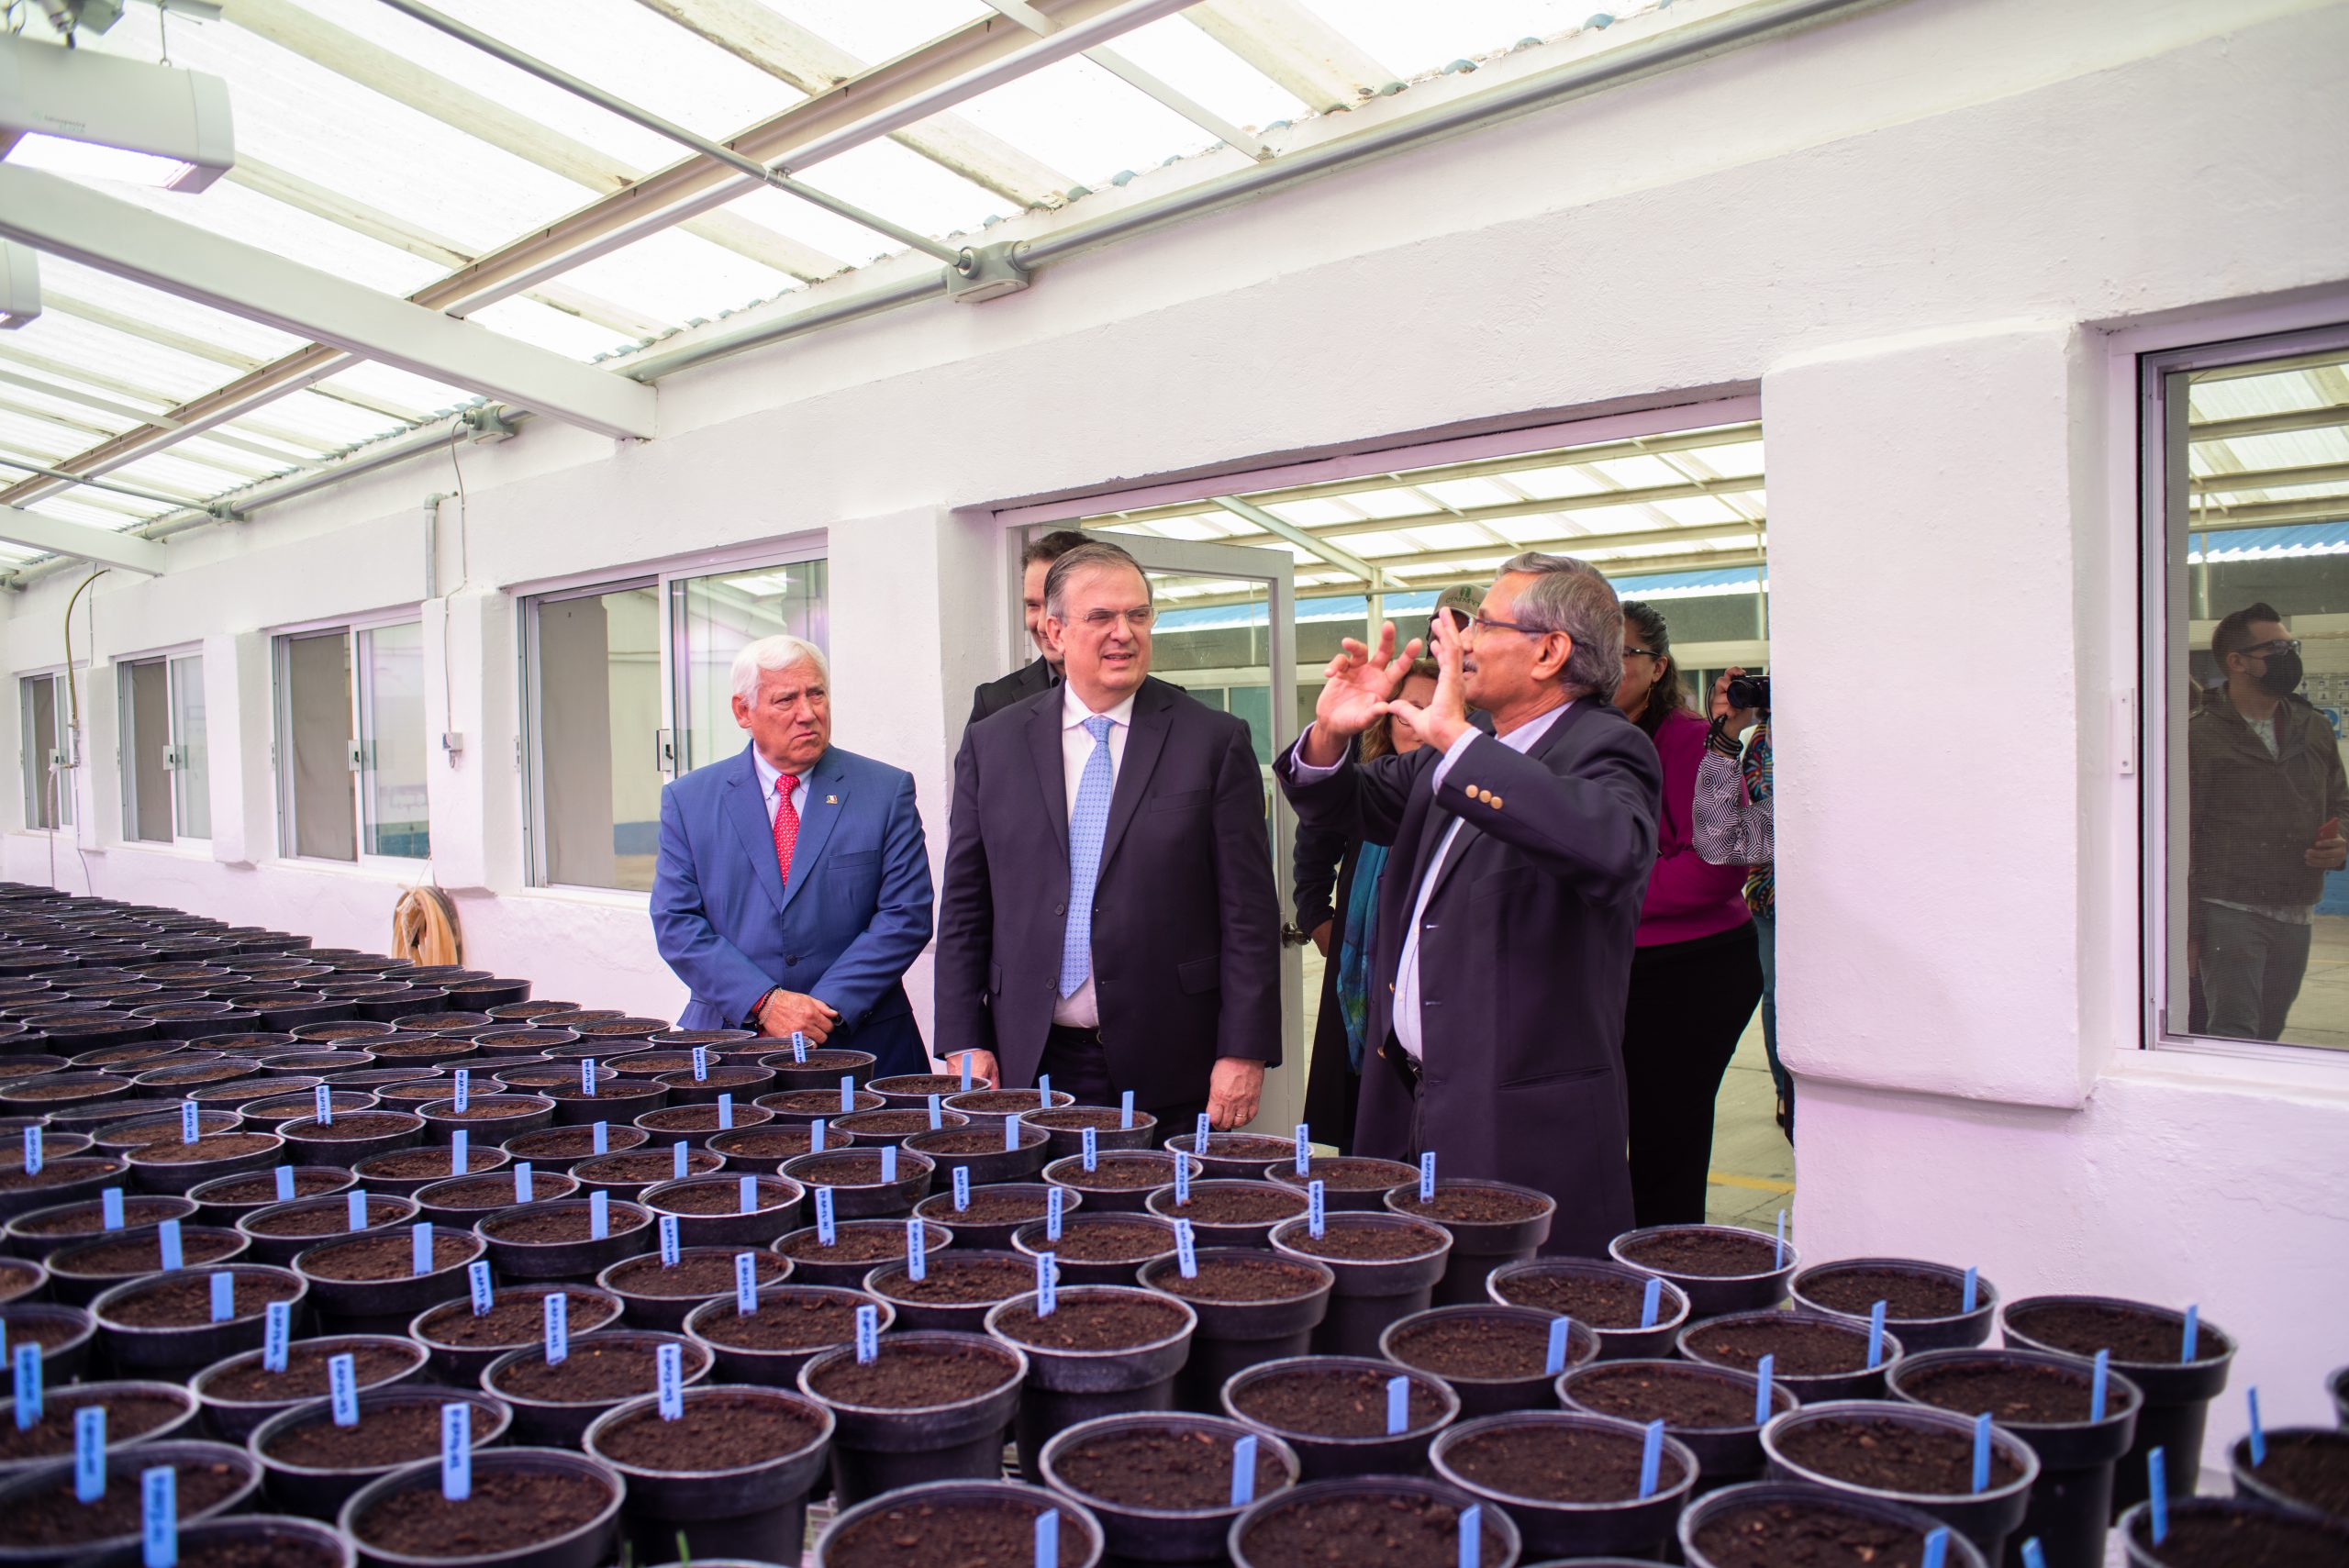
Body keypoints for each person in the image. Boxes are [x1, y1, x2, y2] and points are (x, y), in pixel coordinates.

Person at [1275, 552, 1660, 1257]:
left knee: (1516, 1328)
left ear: (1550, 651)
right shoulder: (1472, 745)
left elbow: (1613, 849)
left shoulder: (1608, 748)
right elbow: (1343, 802)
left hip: (1520, 1122)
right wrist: (1330, 732)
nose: (1465, 640)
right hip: (1411, 1102)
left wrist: (1453, 740)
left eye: (1483, 622)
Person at [935, 539, 1281, 1129]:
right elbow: (967, 903)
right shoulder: (994, 744)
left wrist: (1242, 1049)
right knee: (1038, 1217)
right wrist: (963, 1038)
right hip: (1029, 1058)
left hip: (1171, 1059)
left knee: (1163, 1218)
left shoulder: (1212, 742)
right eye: (1101, 617)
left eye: (1138, 614)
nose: (1124, 632)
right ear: (1056, 631)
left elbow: (1248, 913)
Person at [651, 635, 935, 1074]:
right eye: (786, 699)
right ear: (743, 711)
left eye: (816, 694)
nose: (808, 713)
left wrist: (820, 1011)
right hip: (733, 1045)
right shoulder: (689, 801)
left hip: (866, 1043)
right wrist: (764, 1002)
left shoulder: (884, 791)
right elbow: (677, 923)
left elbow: (905, 915)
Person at [1610, 601, 1762, 1227]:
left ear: (1658, 667)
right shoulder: (1581, 734)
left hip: (1692, 969)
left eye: (1625, 653)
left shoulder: (1694, 740)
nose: (1607, 664)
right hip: (1615, 963)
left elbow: (1719, 861)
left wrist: (1601, 884)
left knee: (1665, 1140)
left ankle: (1664, 1285)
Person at [1294, 658, 1440, 1152]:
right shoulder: (1362, 784)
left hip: (1425, 995)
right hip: (1358, 979)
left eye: (1435, 710)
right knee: (1362, 1140)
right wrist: (1320, 922)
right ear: (1385, 717)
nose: (1420, 725)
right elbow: (1312, 852)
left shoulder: (1463, 795)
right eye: (1408, 711)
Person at [2188, 604, 2349, 1041]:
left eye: (2291, 646)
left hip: (2298, 906)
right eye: (2275, 648)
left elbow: (2341, 801)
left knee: (2271, 1033)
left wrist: (2342, 843)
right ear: (2236, 662)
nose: (2288, 656)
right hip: (2229, 908)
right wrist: (2186, 932)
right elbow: (2178, 838)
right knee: (2234, 1032)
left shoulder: (2313, 727)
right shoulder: (2198, 734)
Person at [1695, 666, 1782, 1139]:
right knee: (1778, 1000)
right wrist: (1727, 731)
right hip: (1771, 897)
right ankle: (1787, 1095)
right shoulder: (1761, 740)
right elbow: (1720, 840)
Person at [970, 529, 1090, 724]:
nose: (1043, 625)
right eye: (1033, 605)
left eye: (1056, 605)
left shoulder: (1148, 698)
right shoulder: (994, 703)